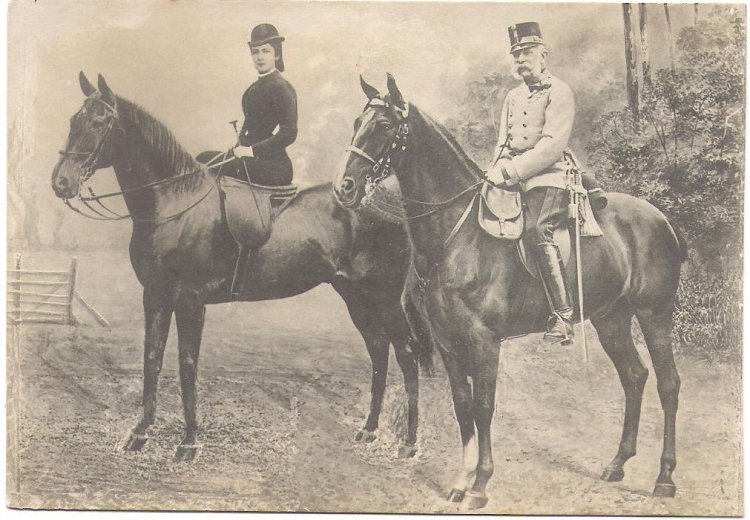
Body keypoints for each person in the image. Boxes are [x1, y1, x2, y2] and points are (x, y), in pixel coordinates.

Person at [486, 22, 606, 344]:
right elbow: (503, 142)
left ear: (543, 54)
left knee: (536, 229)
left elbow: (552, 145)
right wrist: (495, 170)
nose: (520, 59)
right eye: (516, 54)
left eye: (527, 52)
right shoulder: (512, 96)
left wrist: (512, 171)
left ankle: (563, 316)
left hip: (549, 176)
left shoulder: (560, 91)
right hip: (513, 175)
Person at [229, 23, 298, 186]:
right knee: (205, 159)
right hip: (250, 158)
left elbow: (289, 132)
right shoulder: (254, 87)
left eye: (265, 51)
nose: (260, 57)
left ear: (276, 55)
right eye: (255, 52)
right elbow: (249, 123)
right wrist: (238, 145)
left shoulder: (282, 87)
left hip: (274, 167)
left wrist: (252, 150)